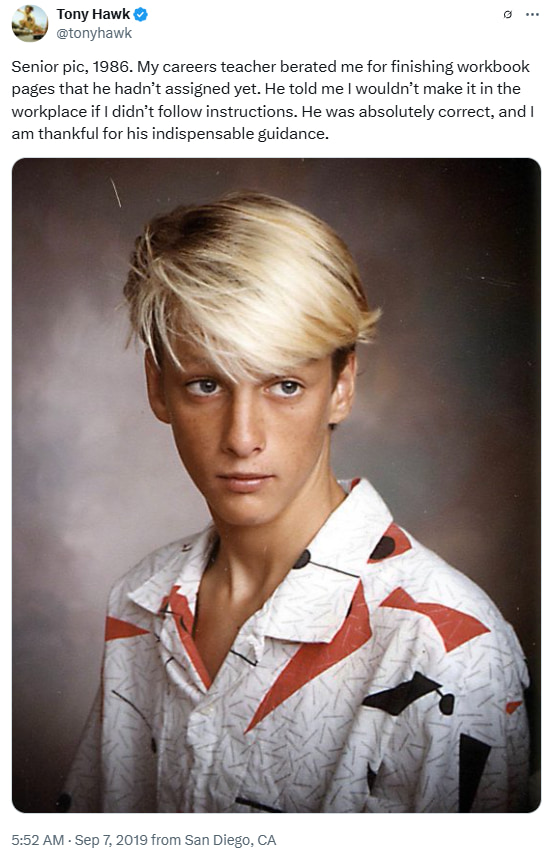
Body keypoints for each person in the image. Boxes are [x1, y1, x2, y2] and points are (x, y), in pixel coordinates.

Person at [60, 192, 530, 813]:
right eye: (206, 384)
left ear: (341, 387)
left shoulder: (449, 646)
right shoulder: (139, 603)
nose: (242, 438)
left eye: (285, 386)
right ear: (158, 387)